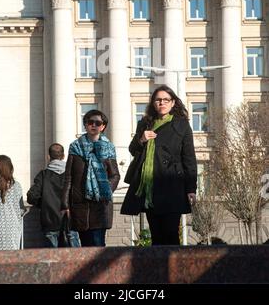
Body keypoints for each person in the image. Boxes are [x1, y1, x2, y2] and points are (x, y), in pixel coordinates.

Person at [121, 85, 197, 246]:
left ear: (172, 102)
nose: (161, 103)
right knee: (156, 234)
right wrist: (141, 139)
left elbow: (189, 158)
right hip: (150, 187)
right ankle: (158, 270)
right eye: (158, 100)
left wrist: (191, 188)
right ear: (153, 103)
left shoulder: (181, 125)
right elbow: (133, 150)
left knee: (170, 233)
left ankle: (174, 269)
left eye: (165, 100)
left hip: (172, 184)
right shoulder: (145, 123)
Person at [61, 109, 120, 246]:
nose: (94, 125)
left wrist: (105, 190)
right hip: (80, 205)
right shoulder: (75, 147)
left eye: (98, 123)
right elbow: (68, 177)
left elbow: (115, 175)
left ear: (103, 126)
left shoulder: (108, 148)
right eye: (90, 122)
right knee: (85, 246)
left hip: (100, 204)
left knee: (98, 244)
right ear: (85, 125)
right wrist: (64, 204)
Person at [27, 143, 80, 248]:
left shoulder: (43, 175)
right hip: (71, 220)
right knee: (76, 258)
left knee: (52, 259)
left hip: (50, 220)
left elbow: (32, 197)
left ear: (48, 157)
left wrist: (43, 204)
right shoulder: (72, 174)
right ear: (64, 156)